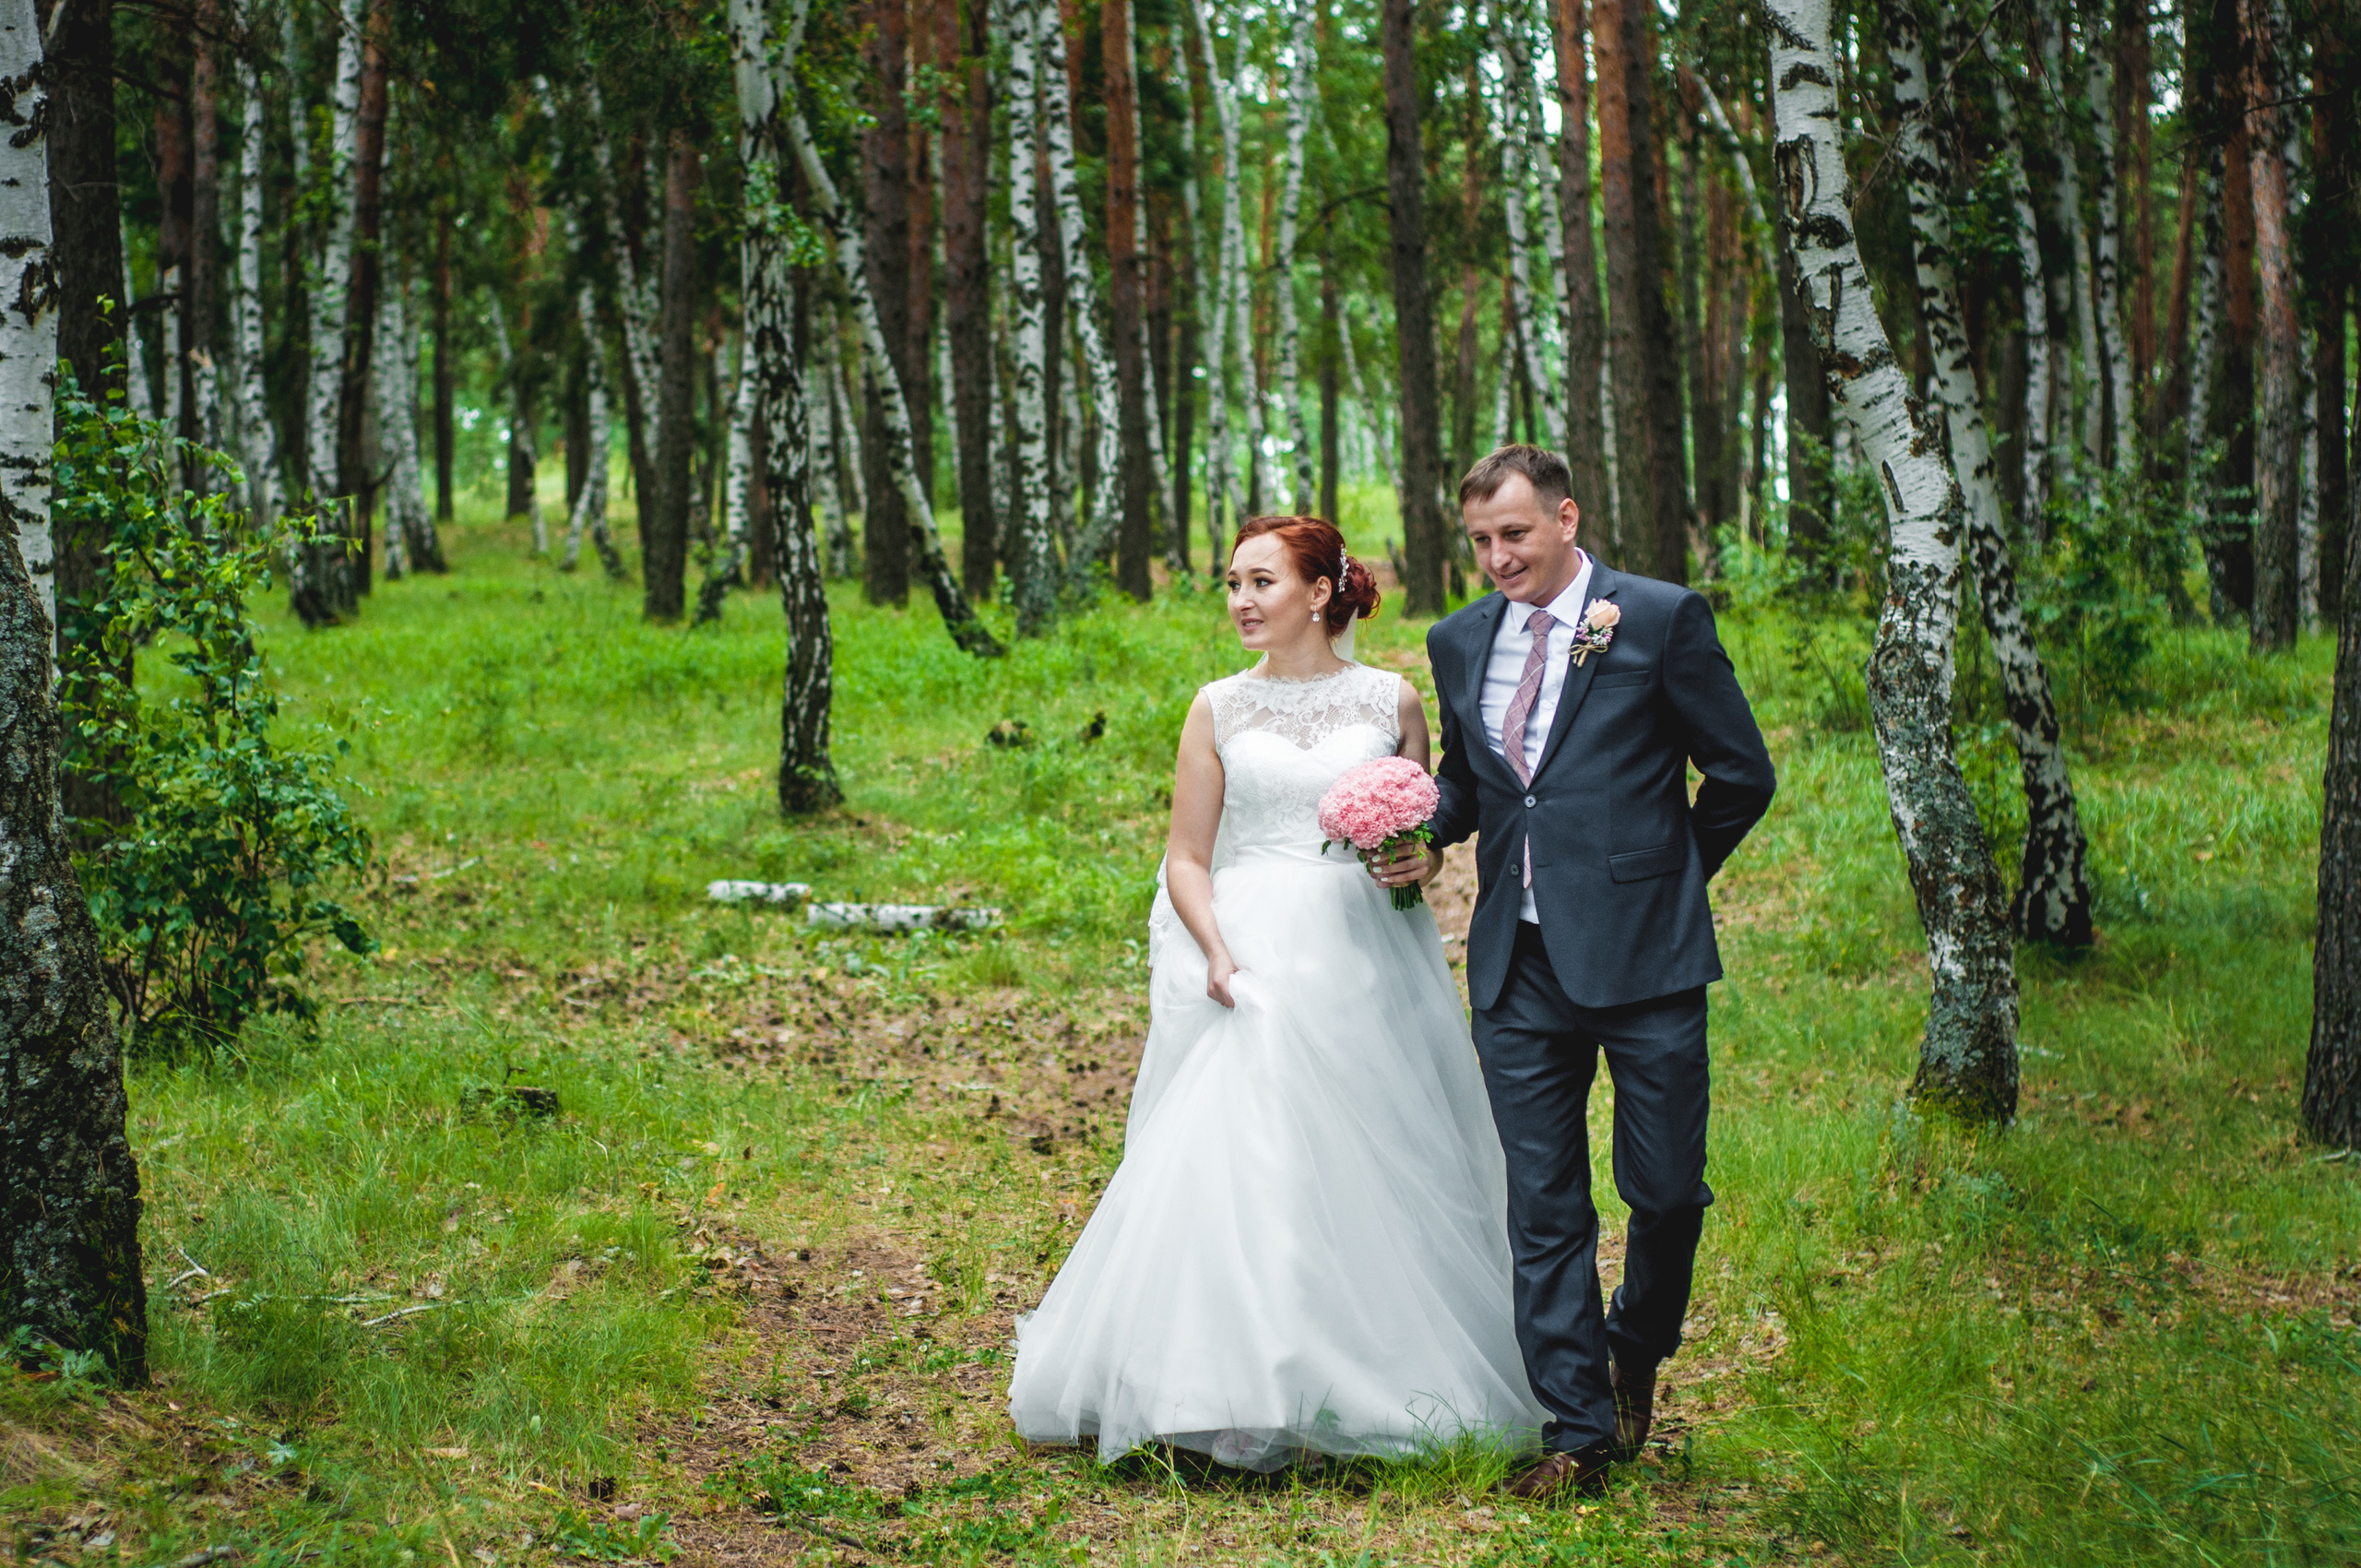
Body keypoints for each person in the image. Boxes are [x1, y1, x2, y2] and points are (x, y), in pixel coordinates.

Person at [1006, 515, 1548, 1471]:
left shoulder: (1392, 699)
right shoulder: (1216, 706)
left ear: (1320, 590)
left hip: (1366, 950)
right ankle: (1232, 1390)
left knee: (1383, 1146)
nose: (1241, 600)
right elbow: (1185, 855)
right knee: (1247, 1152)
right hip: (1250, 943)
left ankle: (1373, 1375)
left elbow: (1417, 829)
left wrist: (1412, 860)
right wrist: (1213, 948)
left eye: (1261, 581)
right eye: (1232, 582)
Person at [1370, 445, 1776, 1499]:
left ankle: (1634, 1340)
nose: (1497, 557)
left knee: (1665, 1188)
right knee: (1543, 1205)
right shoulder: (1458, 640)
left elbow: (1739, 772)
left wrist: (1665, 873)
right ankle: (1576, 1431)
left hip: (1646, 955)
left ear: (1565, 516)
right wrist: (1427, 830)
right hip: (1517, 963)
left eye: (1514, 533)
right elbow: (1471, 779)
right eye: (1480, 541)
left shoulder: (1657, 616)